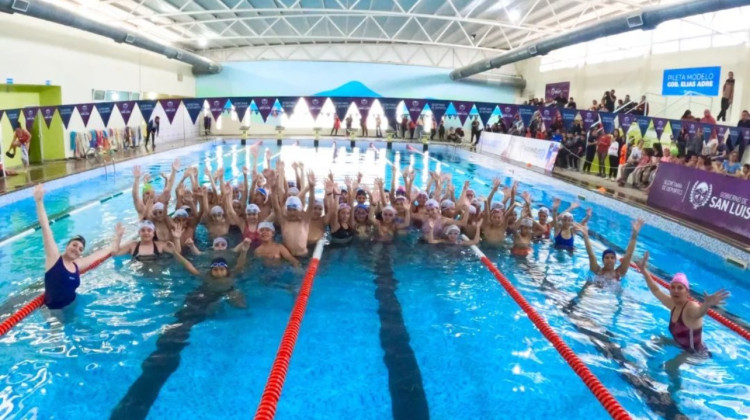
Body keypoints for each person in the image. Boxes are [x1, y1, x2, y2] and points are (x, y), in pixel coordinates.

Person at [34, 185, 115, 310]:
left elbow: (96, 255)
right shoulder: (54, 259)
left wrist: (116, 242)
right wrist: (39, 201)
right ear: (67, 246)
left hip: (73, 306)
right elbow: (46, 228)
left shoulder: (77, 265)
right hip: (53, 312)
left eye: (80, 249)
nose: (76, 249)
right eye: (74, 245)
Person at [635, 251, 728, 355]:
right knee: (657, 341)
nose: (675, 290)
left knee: (669, 367)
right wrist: (644, 270)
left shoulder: (691, 307)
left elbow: (699, 313)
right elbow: (656, 290)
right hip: (680, 346)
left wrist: (706, 305)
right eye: (673, 287)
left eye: (680, 288)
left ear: (687, 292)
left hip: (696, 353)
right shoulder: (673, 304)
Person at [164, 239, 251, 308]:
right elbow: (189, 266)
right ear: (211, 270)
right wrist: (175, 253)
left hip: (229, 291)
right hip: (209, 292)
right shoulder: (206, 275)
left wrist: (244, 251)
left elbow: (240, 265)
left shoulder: (231, 274)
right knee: (197, 305)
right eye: (215, 270)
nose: (218, 272)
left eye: (221, 269)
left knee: (241, 306)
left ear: (227, 270)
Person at [579, 219, 643, 282]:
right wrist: (586, 236)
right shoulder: (597, 270)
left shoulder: (619, 272)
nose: (609, 260)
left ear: (615, 260)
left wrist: (634, 234)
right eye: (607, 258)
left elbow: (628, 255)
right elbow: (591, 255)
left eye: (612, 258)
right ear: (603, 260)